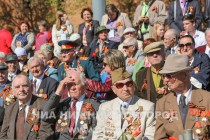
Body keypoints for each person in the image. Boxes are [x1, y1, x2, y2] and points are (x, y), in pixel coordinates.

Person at [155, 54, 210, 139]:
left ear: (184, 76)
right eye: (164, 76)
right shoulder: (162, 104)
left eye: (169, 76)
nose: (165, 80)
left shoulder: (207, 99)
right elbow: (160, 137)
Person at [92, 68, 155, 139]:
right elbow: (97, 135)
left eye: (129, 84)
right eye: (120, 85)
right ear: (113, 89)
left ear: (134, 86)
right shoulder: (104, 107)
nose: (125, 88)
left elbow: (150, 136)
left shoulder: (147, 107)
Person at [43, 69, 100, 139]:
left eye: (75, 84)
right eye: (69, 85)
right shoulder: (62, 103)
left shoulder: (94, 105)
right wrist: (59, 89)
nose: (72, 88)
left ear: (84, 85)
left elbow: (96, 131)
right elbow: (45, 116)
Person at [0, 74, 54, 139]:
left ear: (31, 88)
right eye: (17, 87)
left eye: (25, 86)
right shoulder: (9, 109)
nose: (21, 89)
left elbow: (46, 134)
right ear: (13, 91)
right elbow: (3, 135)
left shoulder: (43, 105)